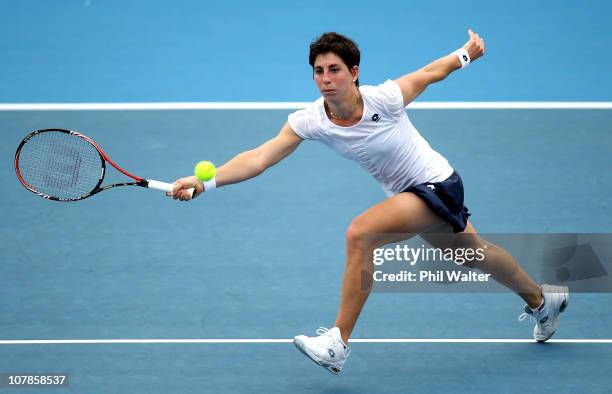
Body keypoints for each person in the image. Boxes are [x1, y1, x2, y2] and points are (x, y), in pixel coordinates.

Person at [169, 30, 569, 375]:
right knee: (473, 254)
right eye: (319, 71)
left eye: (334, 70)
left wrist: (466, 53)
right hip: (408, 196)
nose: (325, 79)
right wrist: (207, 183)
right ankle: (542, 299)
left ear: (354, 72)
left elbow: (430, 74)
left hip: (437, 183)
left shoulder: (385, 99)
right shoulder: (310, 119)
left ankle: (337, 343)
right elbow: (260, 157)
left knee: (360, 235)